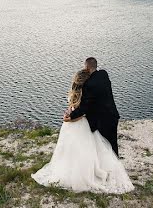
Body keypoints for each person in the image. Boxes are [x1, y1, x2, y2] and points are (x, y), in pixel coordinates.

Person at [31, 58, 133, 193]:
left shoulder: (88, 85)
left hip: (101, 119)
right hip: (112, 115)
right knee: (109, 145)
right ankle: (112, 169)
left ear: (86, 67)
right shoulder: (104, 74)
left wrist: (69, 117)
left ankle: (105, 172)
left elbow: (84, 107)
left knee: (101, 146)